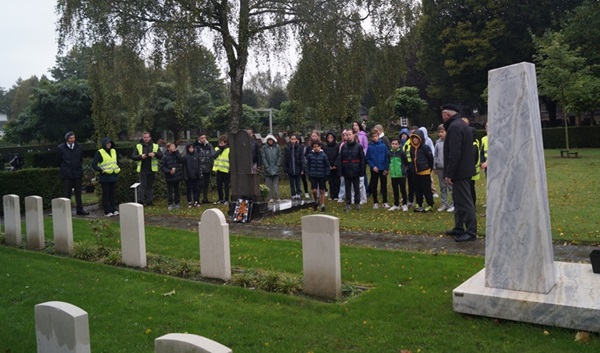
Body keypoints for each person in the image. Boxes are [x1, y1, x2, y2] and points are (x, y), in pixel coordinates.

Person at [441, 104, 477, 242]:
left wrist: (449, 173)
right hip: (464, 169)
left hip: (460, 171)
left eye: (443, 114)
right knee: (459, 200)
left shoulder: (454, 127)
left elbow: (454, 152)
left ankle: (470, 231)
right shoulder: (461, 124)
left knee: (465, 202)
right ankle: (459, 227)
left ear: (447, 115)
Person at [56, 131, 88, 215]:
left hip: (77, 172)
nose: (72, 140)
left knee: (78, 193)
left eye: (73, 138)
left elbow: (80, 159)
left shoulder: (79, 147)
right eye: (70, 138)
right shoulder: (61, 148)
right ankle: (67, 210)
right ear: (67, 139)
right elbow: (59, 160)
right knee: (67, 193)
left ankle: (80, 209)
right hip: (67, 174)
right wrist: (64, 168)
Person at [131, 132, 163, 207]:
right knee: (142, 185)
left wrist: (155, 154)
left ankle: (150, 201)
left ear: (150, 138)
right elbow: (133, 156)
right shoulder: (138, 146)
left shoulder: (155, 146)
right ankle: (140, 201)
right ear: (143, 138)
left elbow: (161, 155)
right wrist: (140, 156)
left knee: (150, 186)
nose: (146, 139)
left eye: (147, 137)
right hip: (142, 169)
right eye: (145, 137)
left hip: (152, 169)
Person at [337, 129, 365, 211]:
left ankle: (357, 203)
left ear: (353, 135)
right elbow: (340, 159)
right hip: (346, 170)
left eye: (349, 134)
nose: (348, 136)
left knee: (356, 188)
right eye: (346, 135)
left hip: (356, 170)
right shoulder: (344, 146)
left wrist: (362, 171)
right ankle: (348, 203)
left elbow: (362, 159)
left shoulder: (358, 146)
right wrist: (340, 171)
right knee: (347, 188)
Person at [92, 137, 120, 217]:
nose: (109, 145)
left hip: (113, 175)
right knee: (106, 194)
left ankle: (113, 209)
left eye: (110, 143)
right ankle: (107, 211)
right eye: (107, 143)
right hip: (105, 177)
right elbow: (94, 164)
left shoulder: (113, 151)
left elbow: (116, 161)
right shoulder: (100, 152)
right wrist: (101, 170)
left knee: (113, 193)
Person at [409, 129, 434, 212]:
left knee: (426, 189)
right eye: (413, 138)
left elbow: (431, 159)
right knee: (417, 189)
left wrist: (428, 168)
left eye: (416, 138)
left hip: (424, 171)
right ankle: (419, 203)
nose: (414, 140)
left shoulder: (425, 148)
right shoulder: (412, 148)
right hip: (415, 172)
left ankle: (430, 204)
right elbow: (412, 158)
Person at [366, 129, 390, 209]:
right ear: (371, 138)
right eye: (373, 137)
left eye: (376, 136)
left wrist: (386, 168)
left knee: (383, 186)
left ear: (378, 136)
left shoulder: (383, 146)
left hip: (383, 168)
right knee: (374, 186)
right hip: (374, 170)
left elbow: (387, 157)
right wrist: (373, 166)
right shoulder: (370, 147)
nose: (375, 138)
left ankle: (385, 201)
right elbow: (368, 159)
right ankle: (375, 202)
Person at [433, 124, 454, 212]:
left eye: (442, 132)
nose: (440, 134)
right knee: (442, 186)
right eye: (439, 132)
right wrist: (435, 165)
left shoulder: (450, 142)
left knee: (450, 186)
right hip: (440, 167)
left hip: (448, 168)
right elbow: (436, 155)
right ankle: (444, 203)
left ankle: (453, 203)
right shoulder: (437, 143)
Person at [305, 140, 330, 212]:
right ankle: (316, 201)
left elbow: (327, 166)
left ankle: (322, 205)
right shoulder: (310, 155)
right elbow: (308, 166)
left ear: (320, 147)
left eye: (317, 147)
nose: (316, 148)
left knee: (322, 190)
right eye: (314, 147)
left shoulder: (323, 155)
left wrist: (326, 175)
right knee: (314, 190)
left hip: (321, 175)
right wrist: (308, 173)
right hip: (313, 175)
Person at [161, 142, 183, 210]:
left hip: (177, 176)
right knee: (170, 191)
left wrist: (177, 153)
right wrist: (168, 171)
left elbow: (181, 161)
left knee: (177, 190)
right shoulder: (165, 156)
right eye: (172, 146)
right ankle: (170, 204)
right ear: (168, 148)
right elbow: (162, 166)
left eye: (174, 146)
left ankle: (177, 203)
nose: (173, 148)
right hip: (169, 176)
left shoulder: (176, 154)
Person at [388, 137, 408, 211]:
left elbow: (406, 163)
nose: (394, 145)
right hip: (393, 175)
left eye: (396, 144)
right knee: (395, 190)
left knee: (403, 190)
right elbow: (389, 162)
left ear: (399, 145)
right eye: (393, 144)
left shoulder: (402, 153)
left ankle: (405, 204)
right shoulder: (389, 153)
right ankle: (396, 204)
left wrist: (403, 170)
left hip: (401, 175)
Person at [193, 133, 215, 204]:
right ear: (199, 139)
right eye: (202, 138)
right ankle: (197, 200)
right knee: (200, 185)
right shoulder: (197, 147)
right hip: (201, 168)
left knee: (206, 184)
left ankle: (205, 199)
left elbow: (212, 155)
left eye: (205, 138)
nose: (204, 139)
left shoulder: (209, 146)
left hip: (207, 168)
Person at [261, 134, 282, 202]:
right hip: (268, 168)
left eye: (271, 140)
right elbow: (263, 158)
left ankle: (277, 197)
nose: (270, 141)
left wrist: (277, 165)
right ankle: (270, 197)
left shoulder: (277, 147)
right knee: (268, 184)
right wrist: (266, 166)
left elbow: (279, 156)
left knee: (276, 184)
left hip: (275, 168)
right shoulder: (264, 148)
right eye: (269, 140)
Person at [402, 126, 419, 208]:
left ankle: (419, 201)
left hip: (416, 166)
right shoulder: (407, 142)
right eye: (411, 132)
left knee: (417, 184)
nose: (412, 134)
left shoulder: (418, 143)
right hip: (409, 166)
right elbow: (404, 153)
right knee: (410, 184)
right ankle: (411, 200)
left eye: (414, 132)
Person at [284, 134, 304, 200]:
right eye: (292, 139)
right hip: (290, 168)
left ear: (296, 140)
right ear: (290, 140)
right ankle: (293, 194)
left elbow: (301, 159)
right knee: (292, 183)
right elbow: (285, 159)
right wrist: (286, 169)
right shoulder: (287, 148)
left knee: (298, 182)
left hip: (297, 168)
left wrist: (302, 169)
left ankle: (298, 193)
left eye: (294, 139)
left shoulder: (300, 147)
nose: (293, 140)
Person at [212, 135, 230, 205]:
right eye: (220, 142)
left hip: (226, 170)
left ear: (225, 143)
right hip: (219, 169)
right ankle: (220, 199)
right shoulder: (216, 149)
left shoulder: (228, 150)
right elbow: (213, 156)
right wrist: (219, 150)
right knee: (219, 186)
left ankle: (226, 199)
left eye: (222, 143)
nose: (220, 144)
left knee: (226, 186)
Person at [182, 143, 202, 208]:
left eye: (192, 148)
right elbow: (184, 168)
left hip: (196, 175)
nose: (191, 149)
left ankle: (196, 201)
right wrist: (185, 176)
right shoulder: (185, 157)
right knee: (189, 189)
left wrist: (199, 174)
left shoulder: (197, 156)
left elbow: (199, 166)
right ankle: (189, 201)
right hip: (188, 176)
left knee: (196, 189)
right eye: (190, 148)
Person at [322, 131, 340, 201]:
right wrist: (328, 165)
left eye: (331, 138)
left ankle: (337, 195)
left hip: (336, 166)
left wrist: (335, 164)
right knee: (331, 181)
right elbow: (325, 157)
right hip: (329, 166)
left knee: (337, 181)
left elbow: (339, 156)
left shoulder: (337, 146)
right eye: (328, 138)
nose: (330, 139)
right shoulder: (325, 147)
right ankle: (332, 195)